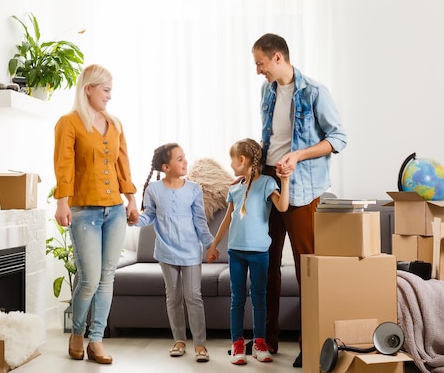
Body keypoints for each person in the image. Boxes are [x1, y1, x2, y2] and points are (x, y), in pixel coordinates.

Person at [251, 33, 348, 367]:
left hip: (303, 188)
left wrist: (299, 156)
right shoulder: (267, 91)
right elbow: (270, 138)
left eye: (260, 64)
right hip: (269, 183)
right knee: (267, 267)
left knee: (308, 267)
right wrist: (253, 171)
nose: (258, 71)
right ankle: (268, 339)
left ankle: (313, 341)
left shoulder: (315, 92)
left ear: (278, 58)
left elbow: (339, 138)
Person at [53, 64, 139, 365]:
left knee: (107, 277)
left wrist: (130, 199)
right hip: (83, 211)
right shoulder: (69, 123)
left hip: (115, 210)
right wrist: (62, 202)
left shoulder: (114, 124)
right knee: (89, 278)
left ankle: (96, 341)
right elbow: (64, 165)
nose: (109, 97)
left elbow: (122, 164)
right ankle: (77, 333)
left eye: (111, 91)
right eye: (105, 90)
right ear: (88, 88)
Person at [206, 138, 290, 365]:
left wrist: (286, 180)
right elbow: (227, 220)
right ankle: (237, 344)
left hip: (259, 253)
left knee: (259, 299)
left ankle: (260, 342)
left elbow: (282, 207)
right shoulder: (234, 188)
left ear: (242, 160)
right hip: (236, 253)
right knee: (237, 299)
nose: (231, 165)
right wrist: (214, 246)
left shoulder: (266, 184)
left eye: (232, 160)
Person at [132, 143, 216, 363]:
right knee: (173, 297)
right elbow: (148, 216)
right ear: (166, 166)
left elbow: (200, 221)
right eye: (180, 159)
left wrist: (210, 245)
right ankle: (179, 340)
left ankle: (200, 344)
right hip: (166, 252)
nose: (185, 162)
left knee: (193, 297)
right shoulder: (153, 190)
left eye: (184, 157)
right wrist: (132, 219)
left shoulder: (194, 189)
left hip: (190, 252)